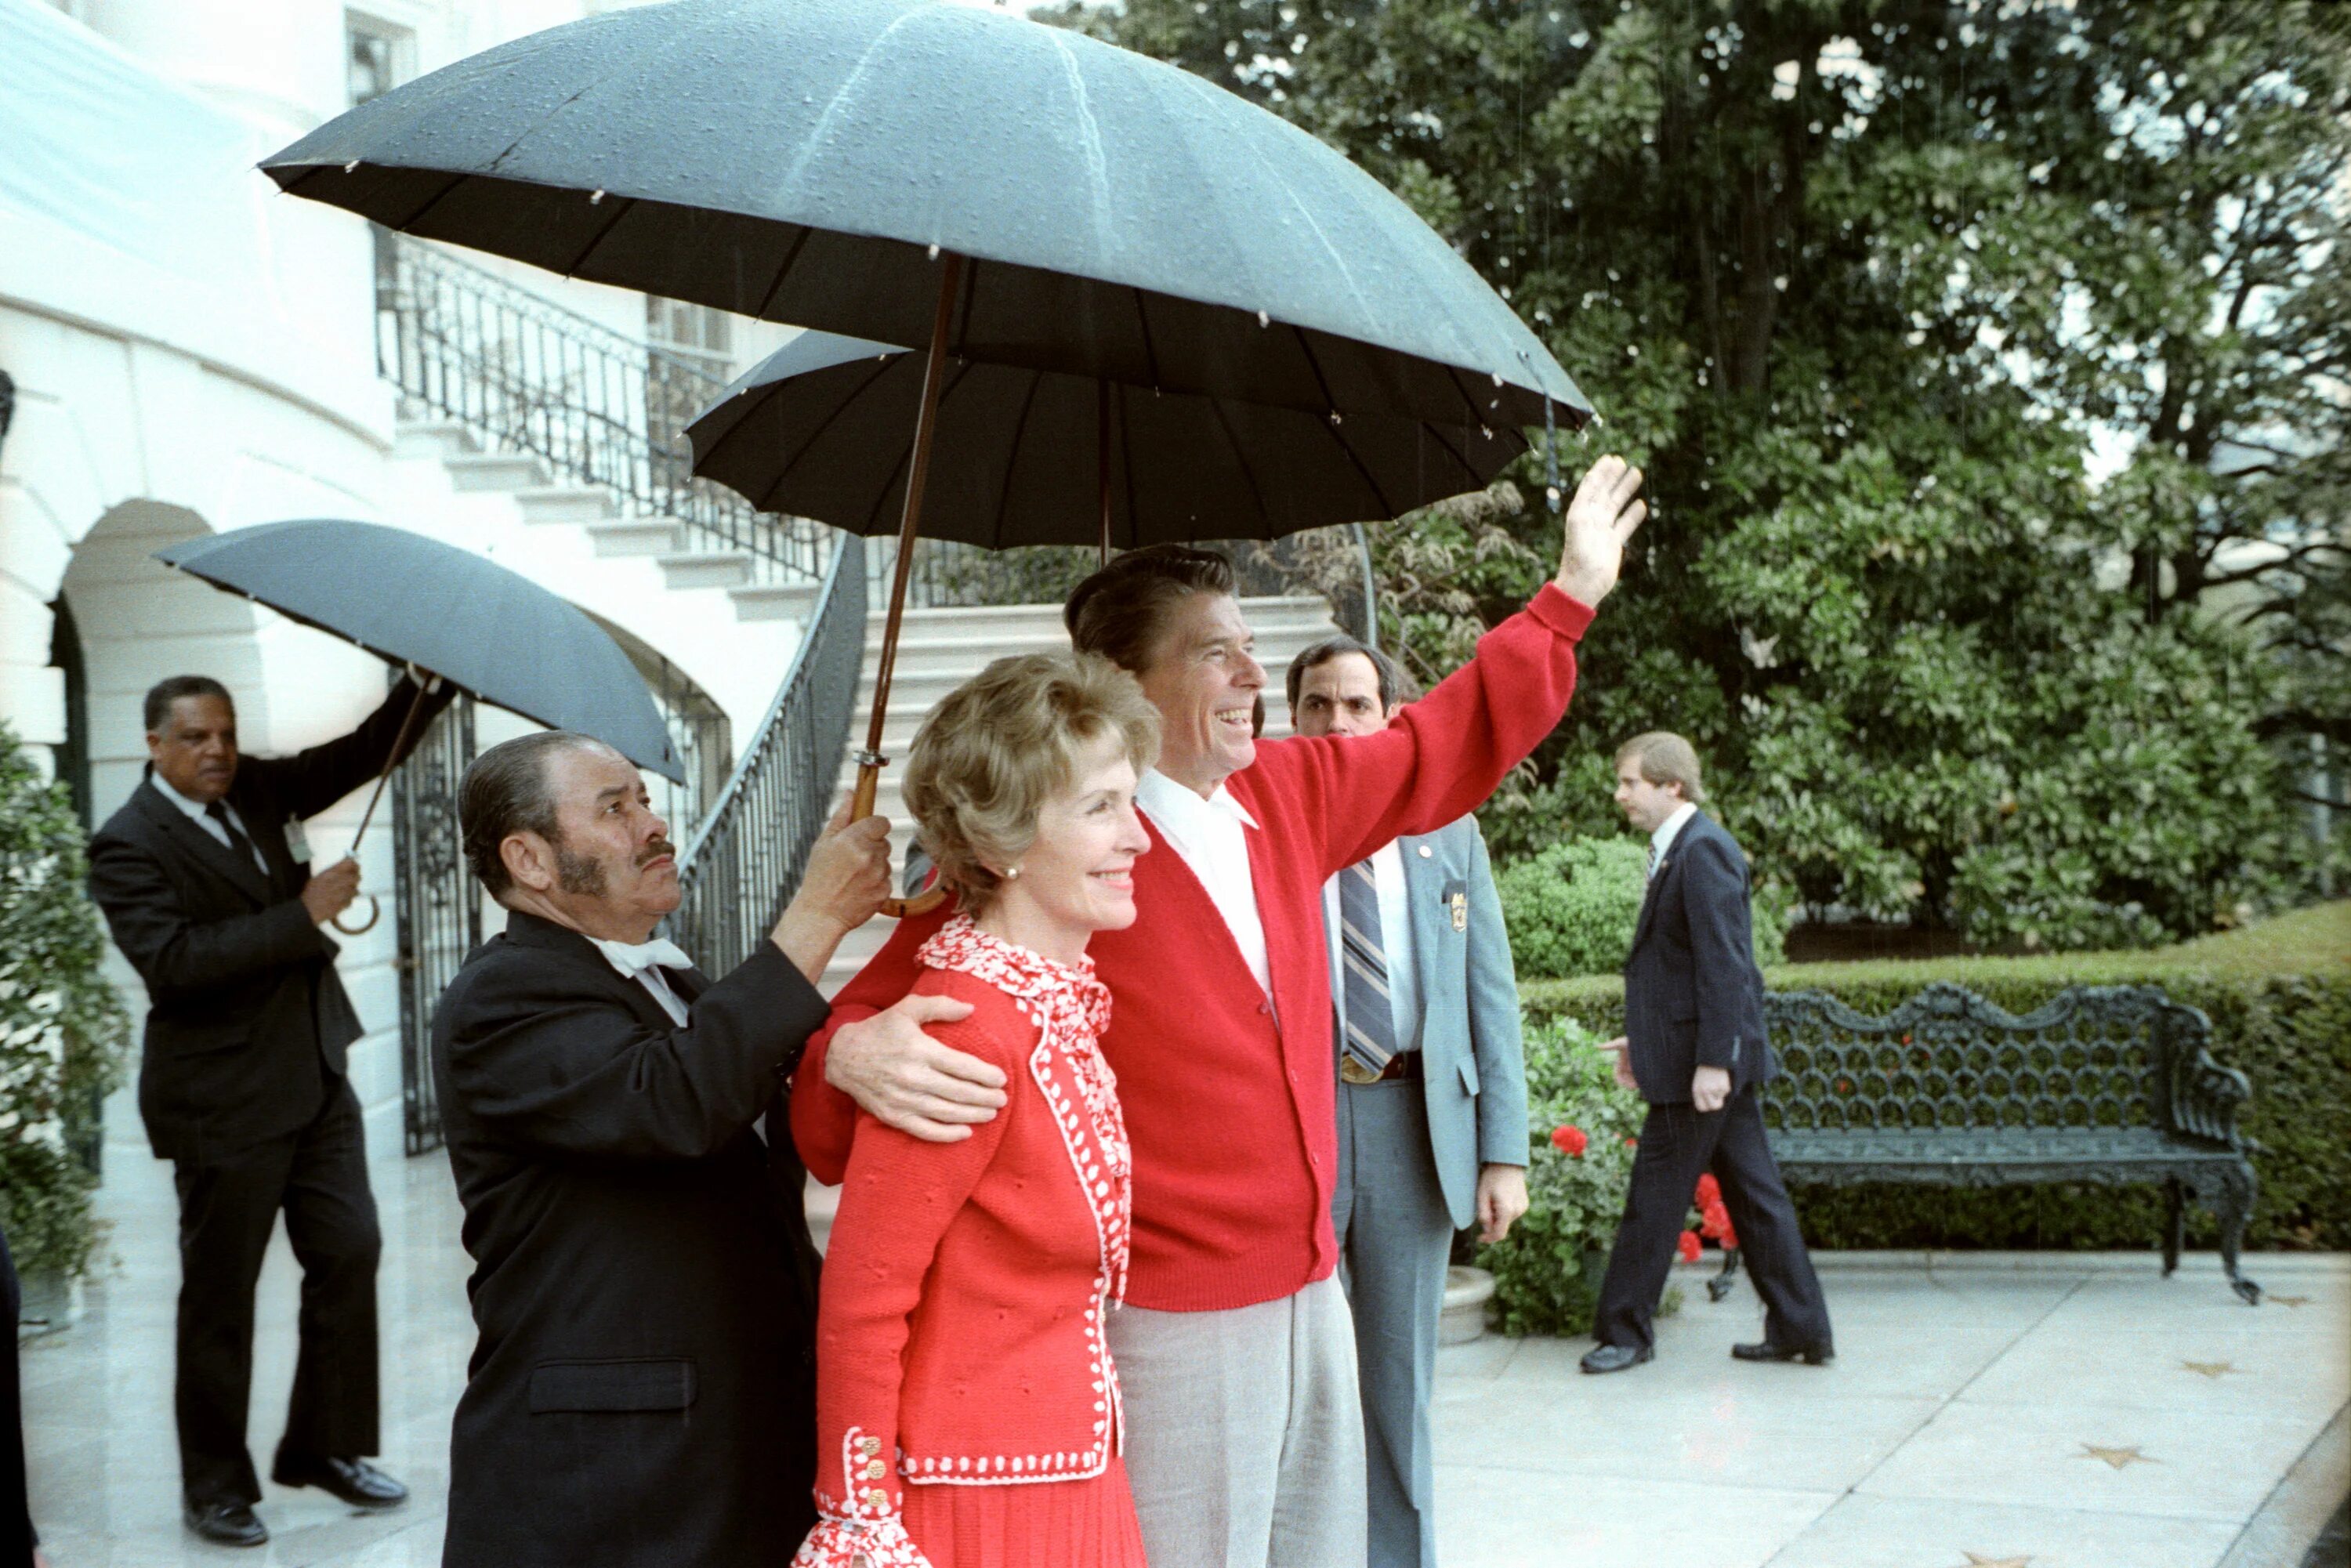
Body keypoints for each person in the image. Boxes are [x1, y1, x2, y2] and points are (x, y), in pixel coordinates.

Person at [803, 457, 1647, 1568]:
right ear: (1120, 678)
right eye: (1216, 651)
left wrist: (1567, 600)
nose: (1256, 672)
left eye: (1248, 646)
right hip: (1167, 1327)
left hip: (1314, 1291)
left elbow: (1441, 740)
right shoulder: (1052, 858)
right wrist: (849, 1049)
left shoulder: (1289, 792)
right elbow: (870, 1040)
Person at [432, 730, 970, 1568]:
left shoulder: (667, 980)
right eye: (614, 808)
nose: (653, 824)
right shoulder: (499, 997)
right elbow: (677, 1101)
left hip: (734, 1446)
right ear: (530, 859)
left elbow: (746, 1094)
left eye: (644, 799)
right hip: (613, 1483)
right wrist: (818, 913)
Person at [792, 654, 1159, 1568]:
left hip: (1069, 1477)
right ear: (1000, 846)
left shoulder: (1048, 1003)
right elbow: (864, 1300)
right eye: (1099, 809)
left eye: (1131, 800)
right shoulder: (963, 1028)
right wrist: (860, 1517)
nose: (1139, 838)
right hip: (979, 1510)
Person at [86, 673, 451, 1547]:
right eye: (195, 738)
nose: (216, 751)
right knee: (221, 1296)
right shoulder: (126, 844)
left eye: (225, 734)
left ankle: (326, 1448)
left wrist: (419, 694)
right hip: (222, 1098)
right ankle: (213, 1485)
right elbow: (174, 963)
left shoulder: (254, 786)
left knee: (350, 1250)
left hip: (315, 1072)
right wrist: (302, 914)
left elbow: (355, 758)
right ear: (154, 744)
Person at [1288, 637, 1527, 1568]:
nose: (1338, 723)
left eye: (1357, 704)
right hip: (1299, 1127)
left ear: (1393, 716)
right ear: (1294, 717)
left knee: (1399, 1381)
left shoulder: (1448, 831)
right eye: (1318, 704)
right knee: (1306, 1381)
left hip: (1412, 1128)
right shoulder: (1273, 828)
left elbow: (1488, 995)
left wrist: (1502, 1151)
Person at [1583, 733, 1833, 1374]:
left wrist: (1714, 1063)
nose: (1620, 795)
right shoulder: (1685, 851)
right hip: (1700, 1060)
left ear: (1672, 786)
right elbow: (1681, 974)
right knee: (1755, 1196)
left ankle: (1626, 1331)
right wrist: (1646, 1039)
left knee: (1655, 1198)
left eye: (1630, 782)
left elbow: (1727, 970)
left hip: (1703, 1071)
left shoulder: (1701, 853)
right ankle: (1802, 1327)